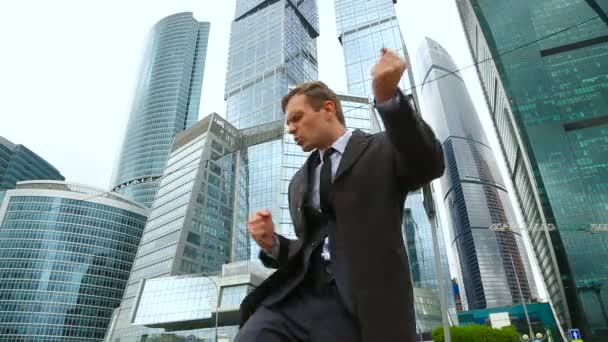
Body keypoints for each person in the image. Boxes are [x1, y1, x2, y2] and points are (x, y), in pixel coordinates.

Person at [236, 48, 445, 342]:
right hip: (298, 298)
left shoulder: (381, 149)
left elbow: (428, 164)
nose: (291, 128)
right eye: (288, 123)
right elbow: (310, 248)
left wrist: (389, 100)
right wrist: (272, 243)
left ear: (328, 109)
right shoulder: (298, 182)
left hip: (363, 301)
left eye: (297, 117)